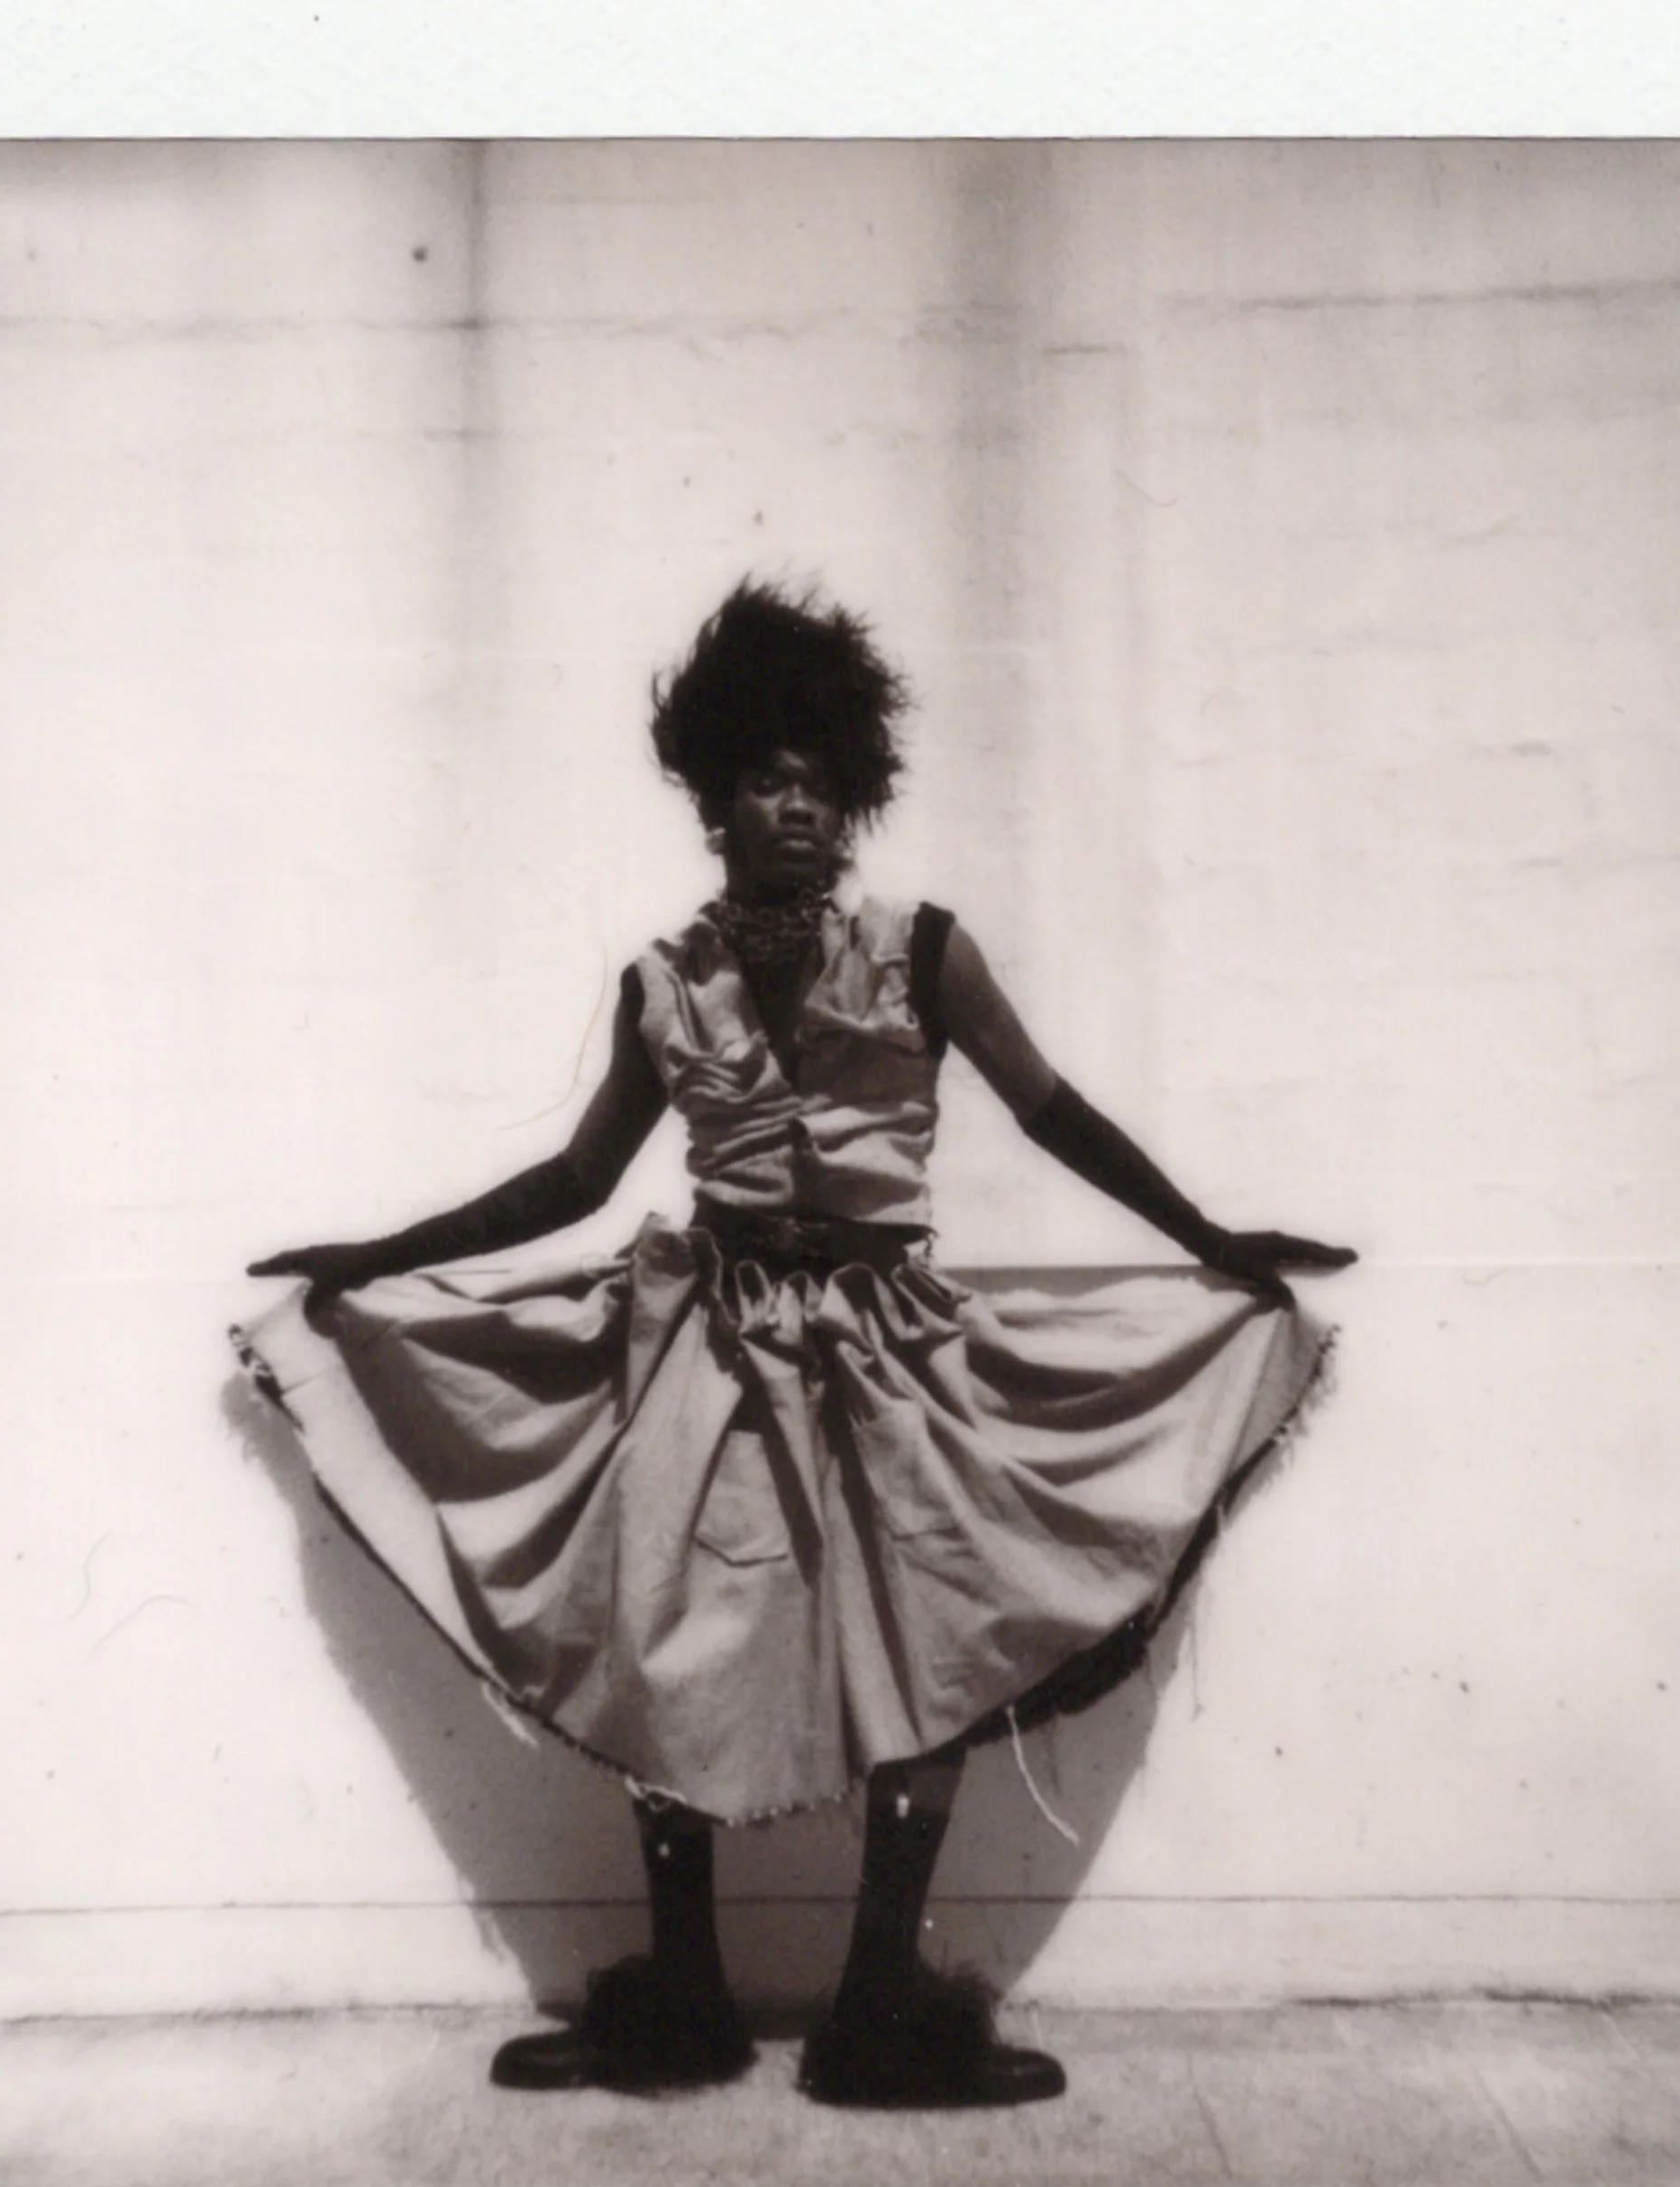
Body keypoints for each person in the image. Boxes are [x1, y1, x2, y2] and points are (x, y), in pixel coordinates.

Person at [239, 580, 1354, 2109]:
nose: (802, 811)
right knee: (661, 1644)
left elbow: (1057, 1113)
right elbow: (572, 1183)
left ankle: (879, 2013)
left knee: (934, 1643)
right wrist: (372, 1259)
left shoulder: (926, 952)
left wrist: (1217, 1243)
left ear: (858, 802)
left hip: (895, 1353)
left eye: (826, 788)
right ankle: (681, 2004)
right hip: (710, 1350)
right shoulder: (660, 984)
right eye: (770, 782)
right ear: (715, 801)